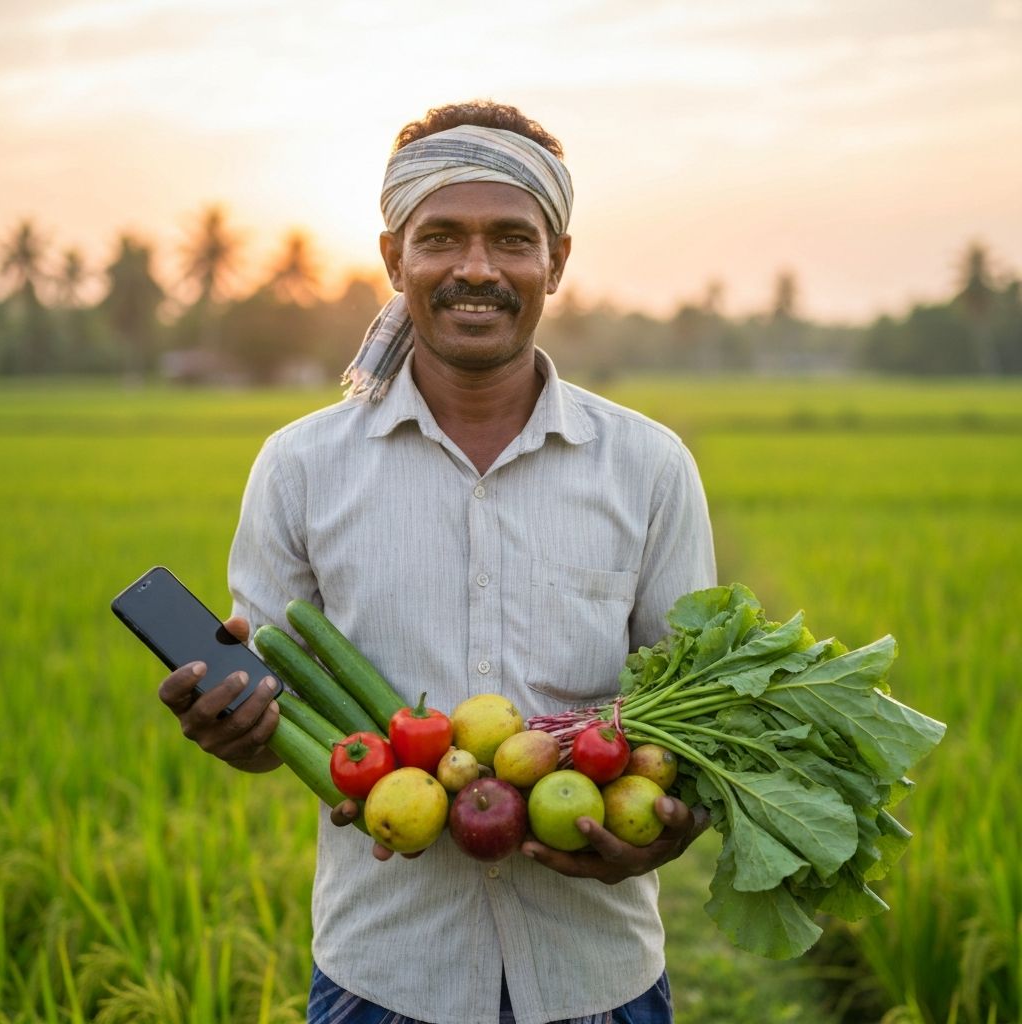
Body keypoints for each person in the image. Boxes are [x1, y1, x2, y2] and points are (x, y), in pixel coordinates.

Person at [158, 100, 717, 1024]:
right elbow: (277, 713)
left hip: (596, 976)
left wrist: (666, 834)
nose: (476, 269)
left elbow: (694, 720)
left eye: (511, 238)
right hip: (385, 975)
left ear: (558, 261)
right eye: (441, 237)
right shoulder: (300, 468)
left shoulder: (648, 467)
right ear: (392, 258)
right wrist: (239, 733)